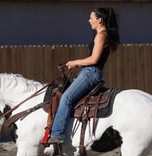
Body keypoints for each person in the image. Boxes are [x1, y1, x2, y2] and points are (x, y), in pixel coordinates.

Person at [47, 7, 120, 144]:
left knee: (67, 98)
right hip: (89, 72)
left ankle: (57, 134)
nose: (89, 20)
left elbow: (93, 60)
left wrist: (75, 62)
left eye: (92, 18)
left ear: (99, 20)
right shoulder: (102, 35)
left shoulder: (101, 36)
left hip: (91, 73)